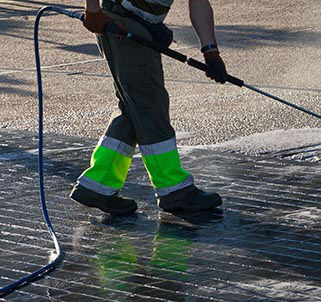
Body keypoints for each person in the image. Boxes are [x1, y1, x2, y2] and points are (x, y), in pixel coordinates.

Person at [70, 0, 227, 215]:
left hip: (134, 25)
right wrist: (93, 10)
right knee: (150, 108)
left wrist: (211, 52)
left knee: (133, 107)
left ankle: (98, 184)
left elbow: (199, 2)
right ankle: (174, 190)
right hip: (122, 25)